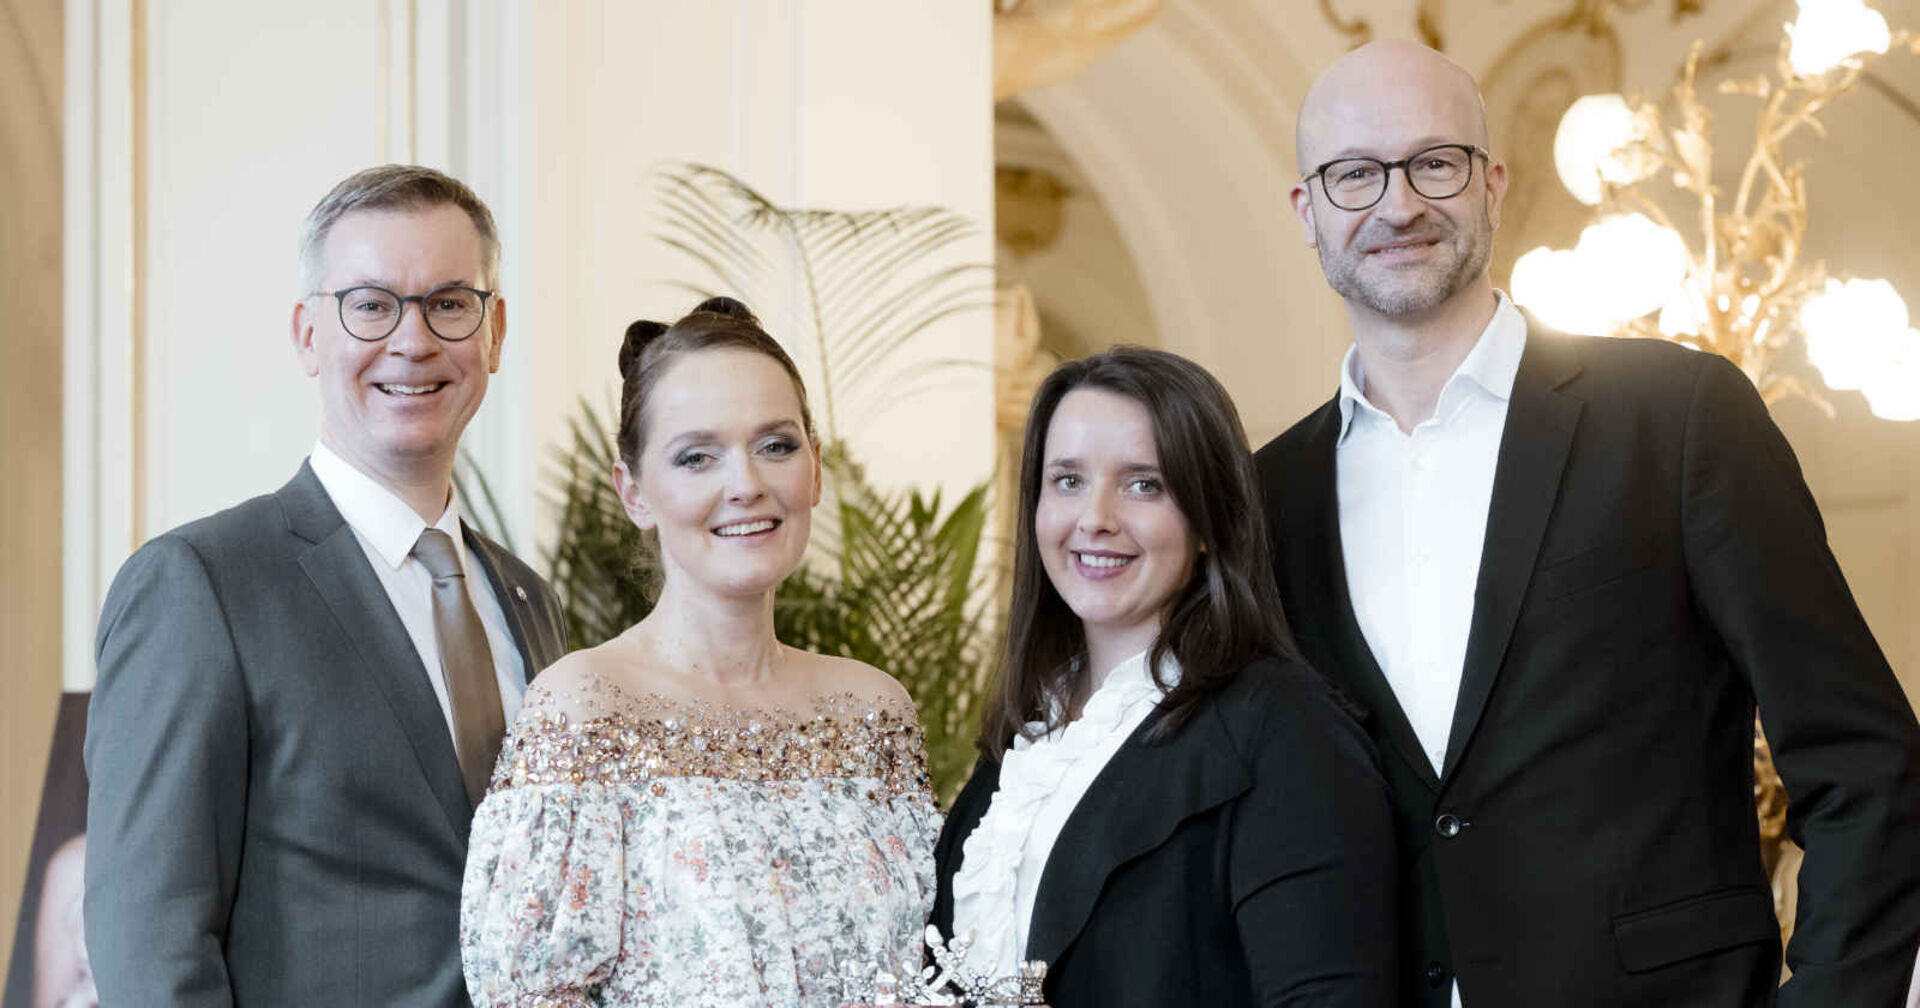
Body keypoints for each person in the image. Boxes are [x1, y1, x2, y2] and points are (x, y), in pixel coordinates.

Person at [1256, 39, 1920, 1007]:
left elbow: (1866, 765)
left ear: (1492, 184)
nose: (1397, 205)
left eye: (1434, 163)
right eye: (1353, 174)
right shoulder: (1267, 498)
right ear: (1306, 212)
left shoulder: (1677, 416)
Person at [84, 165, 570, 1007]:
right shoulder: (200, 587)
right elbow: (149, 944)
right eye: (371, 304)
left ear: (494, 335)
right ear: (309, 334)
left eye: (449, 303)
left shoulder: (530, 602)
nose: (413, 341)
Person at [459, 297, 940, 1007]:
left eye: (776, 445)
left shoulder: (875, 710)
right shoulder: (586, 706)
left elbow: (931, 962)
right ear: (635, 494)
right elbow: (528, 993)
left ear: (815, 470)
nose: (745, 484)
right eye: (696, 457)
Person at [932, 347, 1397, 1007]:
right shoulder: (1023, 742)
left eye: (1143, 483)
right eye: (1067, 480)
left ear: (1208, 521)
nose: (1095, 517)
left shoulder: (1285, 731)